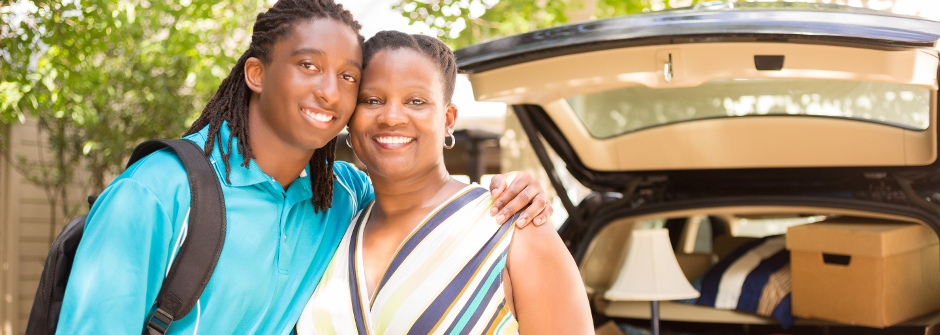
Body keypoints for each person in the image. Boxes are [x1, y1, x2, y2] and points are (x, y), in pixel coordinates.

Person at [54, 1, 552, 334]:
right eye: (308, 66)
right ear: (256, 72)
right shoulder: (157, 193)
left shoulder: (344, 196)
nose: (329, 91)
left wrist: (513, 190)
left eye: (348, 76)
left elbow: (415, 187)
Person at [295, 31, 593, 335]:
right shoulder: (334, 225)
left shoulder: (512, 225)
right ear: (349, 115)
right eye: (371, 100)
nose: (392, 117)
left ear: (448, 119)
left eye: (416, 101)